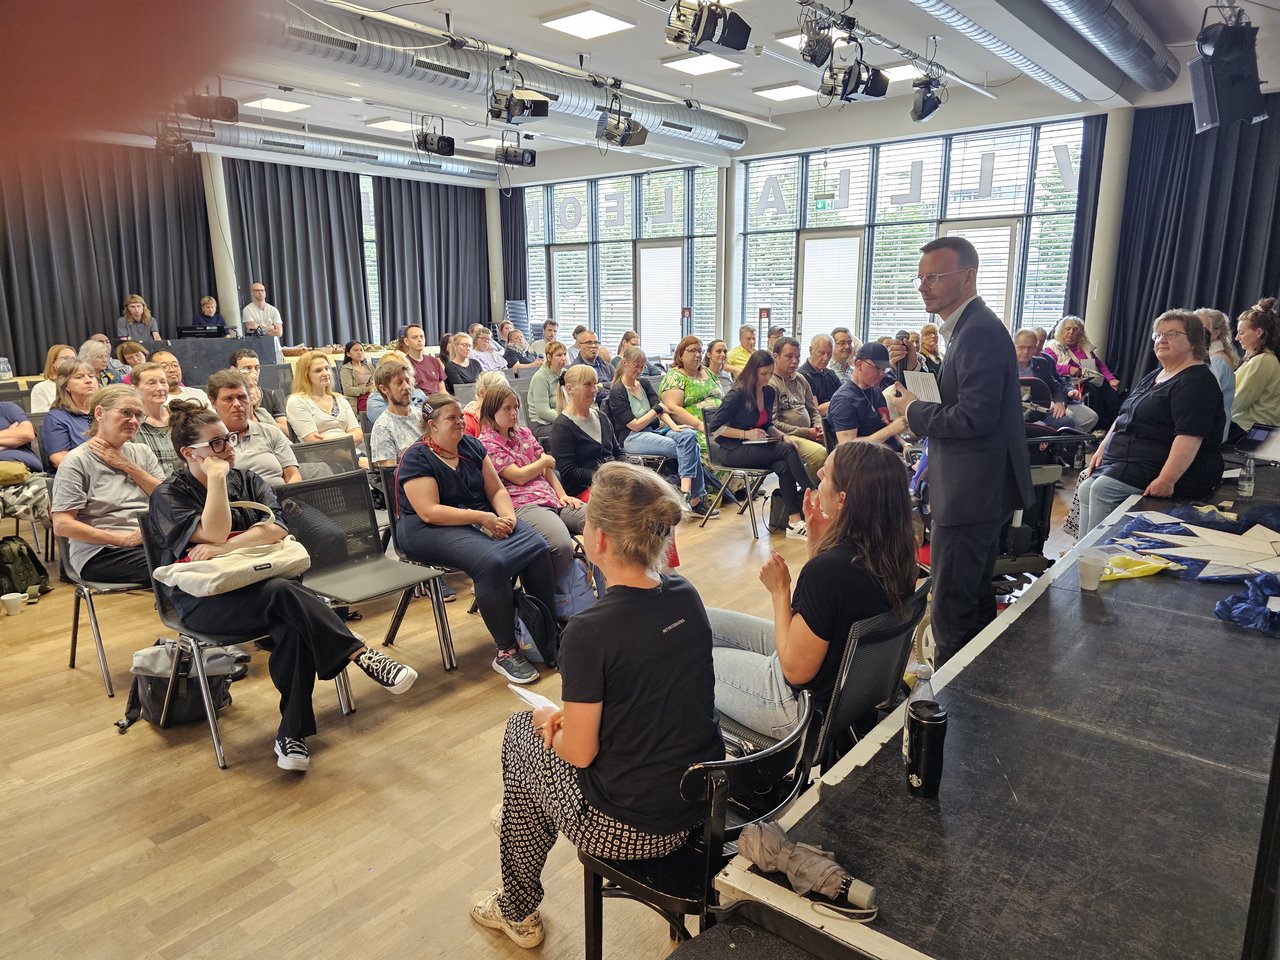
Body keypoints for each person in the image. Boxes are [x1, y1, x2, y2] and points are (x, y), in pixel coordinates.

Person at [470, 461, 723, 949]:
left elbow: (580, 753)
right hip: (699, 804)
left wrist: (552, 723)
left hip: (632, 829)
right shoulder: (683, 593)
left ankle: (517, 909)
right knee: (536, 763)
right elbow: (650, 692)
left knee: (522, 734)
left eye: (585, 520)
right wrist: (573, 717)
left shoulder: (590, 632)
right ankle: (525, 825)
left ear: (601, 539)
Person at [149, 400, 417, 773]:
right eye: (216, 444)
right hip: (205, 603)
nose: (228, 448)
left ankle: (292, 734)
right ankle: (359, 653)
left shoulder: (248, 479)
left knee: (290, 620)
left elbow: (276, 529)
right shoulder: (168, 495)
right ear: (188, 453)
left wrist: (227, 547)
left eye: (228, 439)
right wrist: (216, 481)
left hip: (264, 587)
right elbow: (212, 531)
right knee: (284, 595)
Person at [706, 442, 918, 738]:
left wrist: (780, 591)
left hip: (799, 707)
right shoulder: (898, 553)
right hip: (845, 687)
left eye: (826, 473)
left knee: (693, 657)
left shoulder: (829, 570)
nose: (817, 474)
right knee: (702, 623)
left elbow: (795, 671)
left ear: (842, 499)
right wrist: (818, 548)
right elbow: (834, 610)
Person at [888, 236, 1032, 666]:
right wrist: (912, 369)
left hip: (970, 492)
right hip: (976, 487)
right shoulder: (969, 328)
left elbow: (973, 417)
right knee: (972, 596)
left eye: (934, 276)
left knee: (952, 608)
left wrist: (912, 411)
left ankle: (949, 695)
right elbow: (954, 395)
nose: (923, 286)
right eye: (920, 278)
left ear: (968, 277)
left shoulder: (978, 332)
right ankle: (975, 682)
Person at [396, 393, 556, 685]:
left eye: (461, 416)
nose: (460, 422)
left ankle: (544, 630)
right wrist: (482, 518)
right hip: (427, 529)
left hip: (477, 518)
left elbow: (496, 490)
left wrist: (508, 517)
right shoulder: (416, 457)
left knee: (536, 546)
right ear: (432, 425)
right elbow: (429, 511)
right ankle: (506, 651)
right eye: (452, 418)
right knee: (491, 562)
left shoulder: (471, 446)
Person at [1077, 310, 1225, 535]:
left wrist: (1167, 479)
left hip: (1162, 467)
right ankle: (1081, 551)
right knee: (1087, 486)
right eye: (1158, 334)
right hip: (1131, 462)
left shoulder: (1197, 381)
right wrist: (1102, 448)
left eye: (1172, 334)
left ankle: (1097, 553)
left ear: (1194, 341)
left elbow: (1190, 436)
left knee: (1104, 489)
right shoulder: (1155, 375)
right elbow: (1125, 415)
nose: (1162, 339)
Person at [50, 384, 164, 583]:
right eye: (126, 412)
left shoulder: (142, 452)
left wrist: (128, 466)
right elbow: (62, 525)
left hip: (150, 541)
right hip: (101, 552)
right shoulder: (76, 461)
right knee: (175, 566)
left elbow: (166, 500)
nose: (134, 421)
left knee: (204, 554)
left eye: (139, 415)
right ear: (100, 413)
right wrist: (123, 540)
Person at [479, 383, 586, 581]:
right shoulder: (486, 443)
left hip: (551, 497)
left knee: (603, 522)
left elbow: (546, 470)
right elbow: (519, 476)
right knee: (561, 546)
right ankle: (552, 594)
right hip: (524, 504)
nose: (514, 413)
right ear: (492, 411)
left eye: (516, 407)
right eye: (507, 408)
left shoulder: (524, 433)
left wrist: (562, 495)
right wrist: (543, 461)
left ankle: (596, 585)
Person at [709, 350, 815, 538]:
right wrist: (745, 434)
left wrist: (783, 436)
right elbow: (715, 428)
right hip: (732, 450)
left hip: (752, 447)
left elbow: (767, 424)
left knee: (783, 465)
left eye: (770, 373)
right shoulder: (737, 394)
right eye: (763, 374)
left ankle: (794, 522)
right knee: (788, 450)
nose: (767, 378)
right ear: (753, 372)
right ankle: (813, 494)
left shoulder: (768, 392)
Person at [607, 346, 716, 517]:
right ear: (625, 363)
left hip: (653, 430)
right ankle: (694, 500)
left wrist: (674, 427)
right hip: (631, 437)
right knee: (690, 447)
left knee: (689, 435)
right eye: (636, 366)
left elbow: (661, 409)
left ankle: (686, 492)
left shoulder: (643, 383)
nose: (639, 370)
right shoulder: (617, 391)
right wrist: (655, 410)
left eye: (642, 367)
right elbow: (635, 425)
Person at [207, 369, 300, 488]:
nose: (237, 404)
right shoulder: (210, 442)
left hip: (283, 495)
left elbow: (293, 476)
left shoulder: (270, 432)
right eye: (228, 399)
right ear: (213, 402)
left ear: (250, 399)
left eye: (242, 397)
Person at [549, 365, 625, 498]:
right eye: (587, 385)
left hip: (612, 482)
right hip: (585, 490)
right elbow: (569, 472)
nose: (594, 389)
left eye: (594, 384)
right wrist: (606, 476)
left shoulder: (601, 417)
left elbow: (618, 452)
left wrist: (627, 470)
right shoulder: (562, 427)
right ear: (569, 389)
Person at [1045, 315, 1123, 431]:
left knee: (1112, 393)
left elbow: (1099, 364)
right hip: (1070, 382)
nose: (1071, 333)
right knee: (1094, 394)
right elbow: (1049, 366)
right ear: (1061, 330)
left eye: (1075, 330)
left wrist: (1111, 378)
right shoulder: (1053, 346)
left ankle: (1114, 427)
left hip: (1090, 377)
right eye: (1068, 329)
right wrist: (1068, 369)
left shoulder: (1083, 347)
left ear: (1080, 332)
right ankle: (1098, 428)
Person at [1013, 330, 1098, 432]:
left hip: (1039, 411)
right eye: (1022, 347)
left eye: (1030, 347)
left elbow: (1056, 387)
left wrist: (1059, 401)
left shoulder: (1041, 363)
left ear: (1035, 348)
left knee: (1067, 422)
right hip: (1012, 413)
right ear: (1013, 346)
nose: (1026, 351)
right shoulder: (1003, 366)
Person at [769, 337, 828, 482]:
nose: (795, 361)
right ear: (776, 356)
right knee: (820, 455)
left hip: (809, 432)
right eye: (789, 356)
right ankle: (809, 491)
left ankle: (825, 491)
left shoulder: (801, 379)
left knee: (840, 450)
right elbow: (772, 423)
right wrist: (807, 432)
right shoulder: (770, 383)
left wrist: (819, 428)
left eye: (797, 357)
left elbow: (813, 410)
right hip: (784, 436)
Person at [828, 343, 909, 448]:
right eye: (877, 368)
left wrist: (905, 444)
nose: (882, 374)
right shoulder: (844, 400)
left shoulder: (875, 391)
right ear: (859, 365)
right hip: (864, 456)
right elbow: (847, 446)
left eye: (884, 369)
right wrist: (890, 430)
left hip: (887, 451)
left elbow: (885, 424)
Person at [286, 350, 364, 455]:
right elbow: (317, 445)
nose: (326, 373)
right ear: (305, 375)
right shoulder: (297, 401)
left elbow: (359, 436)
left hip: (355, 454)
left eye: (327, 368)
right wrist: (355, 458)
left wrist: (329, 439)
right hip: (323, 461)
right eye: (318, 371)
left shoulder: (340, 399)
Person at [661, 335, 724, 458]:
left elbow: (722, 398)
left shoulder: (708, 372)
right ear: (680, 355)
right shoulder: (675, 377)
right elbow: (673, 408)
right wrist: (700, 425)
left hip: (719, 425)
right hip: (694, 428)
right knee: (716, 447)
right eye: (693, 351)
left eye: (700, 351)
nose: (698, 355)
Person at [1231, 298, 1280, 440]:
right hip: (1251, 428)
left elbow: (1238, 402)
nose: (1236, 338)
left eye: (1241, 332)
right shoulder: (1261, 360)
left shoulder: (1263, 361)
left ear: (1258, 332)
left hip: (1251, 431)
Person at [40, 360, 98, 469]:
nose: (88, 380)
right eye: (79, 377)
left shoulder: (107, 411)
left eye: (91, 376)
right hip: (79, 474)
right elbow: (59, 459)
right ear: (66, 385)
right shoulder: (56, 418)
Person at [369, 361, 425, 467]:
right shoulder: (383, 428)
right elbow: (390, 473)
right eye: (399, 383)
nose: (407, 386)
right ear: (384, 389)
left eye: (407, 381)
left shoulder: (423, 415)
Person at [132, 361, 181, 475]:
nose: (160, 388)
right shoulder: (131, 424)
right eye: (151, 383)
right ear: (135, 389)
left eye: (163, 382)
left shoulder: (180, 417)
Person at [230, 348, 289, 433]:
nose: (254, 372)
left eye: (257, 368)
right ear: (233, 370)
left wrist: (265, 424)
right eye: (247, 368)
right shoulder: (229, 400)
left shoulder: (270, 396)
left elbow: (286, 430)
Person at [367, 349, 427, 426]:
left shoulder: (419, 393)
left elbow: (434, 417)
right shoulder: (375, 401)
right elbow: (395, 423)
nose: (406, 386)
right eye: (398, 381)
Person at [527, 340, 567, 442]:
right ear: (549, 357)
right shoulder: (540, 378)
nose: (564, 358)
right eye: (559, 355)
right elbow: (543, 411)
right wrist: (567, 420)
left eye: (565, 354)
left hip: (561, 419)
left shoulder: (565, 373)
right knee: (571, 431)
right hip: (541, 424)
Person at [395, 325, 447, 396]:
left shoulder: (434, 361)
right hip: (418, 400)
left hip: (438, 400)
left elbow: (442, 389)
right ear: (406, 341)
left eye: (422, 336)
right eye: (414, 337)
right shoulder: (403, 364)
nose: (419, 340)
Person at [799, 334, 840, 418]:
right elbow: (815, 411)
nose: (826, 358)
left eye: (829, 353)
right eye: (821, 353)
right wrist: (840, 401)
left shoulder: (831, 374)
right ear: (811, 350)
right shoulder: (802, 376)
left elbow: (845, 397)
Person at [30, 344, 76, 413]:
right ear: (53, 362)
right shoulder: (40, 389)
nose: (71, 362)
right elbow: (42, 418)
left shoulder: (83, 383)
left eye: (74, 358)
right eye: (66, 358)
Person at [570, 329, 612, 402]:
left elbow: (619, 384)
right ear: (579, 346)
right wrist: (613, 393)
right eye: (589, 343)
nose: (594, 346)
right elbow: (589, 393)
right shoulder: (576, 369)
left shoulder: (607, 365)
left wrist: (602, 385)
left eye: (596, 343)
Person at [464, 371, 508, 437]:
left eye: (505, 394)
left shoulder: (503, 414)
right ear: (482, 392)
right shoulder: (467, 421)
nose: (503, 398)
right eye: (498, 394)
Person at [338, 340, 375, 414]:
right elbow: (347, 390)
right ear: (348, 354)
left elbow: (378, 381)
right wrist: (368, 389)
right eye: (355, 350)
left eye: (361, 350)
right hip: (358, 400)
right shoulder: (346, 369)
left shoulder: (369, 367)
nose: (359, 352)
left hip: (374, 395)